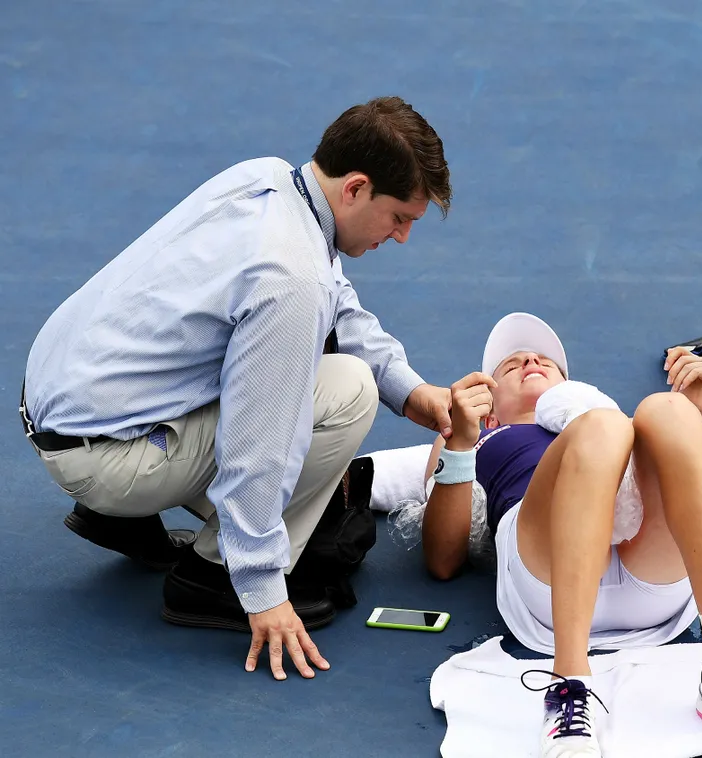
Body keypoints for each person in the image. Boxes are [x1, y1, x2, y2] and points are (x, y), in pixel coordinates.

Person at [20, 96, 459, 681]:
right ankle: (211, 575)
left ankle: (125, 512)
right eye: (400, 217)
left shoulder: (271, 181)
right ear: (356, 188)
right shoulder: (290, 277)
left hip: (69, 407)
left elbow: (334, 301)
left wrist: (408, 391)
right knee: (347, 390)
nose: (402, 237)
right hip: (103, 457)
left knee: (288, 363)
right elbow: (261, 444)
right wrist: (260, 586)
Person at [420, 312, 702, 758]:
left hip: (650, 585)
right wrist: (457, 444)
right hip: (549, 579)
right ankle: (569, 684)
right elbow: (442, 559)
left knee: (668, 408)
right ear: (490, 411)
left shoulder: (627, 427)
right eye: (511, 364)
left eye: (545, 361)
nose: (531, 359)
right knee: (604, 426)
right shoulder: (475, 436)